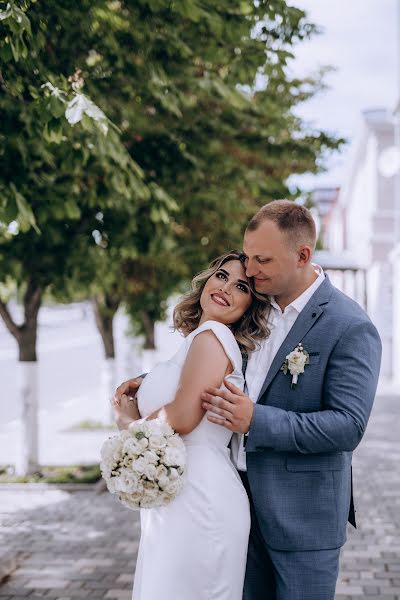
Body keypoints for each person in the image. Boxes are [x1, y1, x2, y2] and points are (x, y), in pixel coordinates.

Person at [116, 200, 382, 600]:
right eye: (248, 255)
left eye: (262, 260)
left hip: (302, 520)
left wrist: (255, 420)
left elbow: (347, 426)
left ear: (302, 255)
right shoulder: (254, 309)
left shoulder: (349, 325)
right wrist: (146, 381)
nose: (251, 269)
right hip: (235, 502)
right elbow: (206, 361)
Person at [112, 250, 270, 600]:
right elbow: (182, 393)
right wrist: (145, 383)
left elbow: (182, 417)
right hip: (178, 492)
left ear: (249, 306)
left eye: (241, 286)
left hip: (200, 498)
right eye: (222, 276)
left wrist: (127, 421)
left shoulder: (213, 335)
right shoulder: (198, 341)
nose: (226, 288)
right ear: (207, 279)